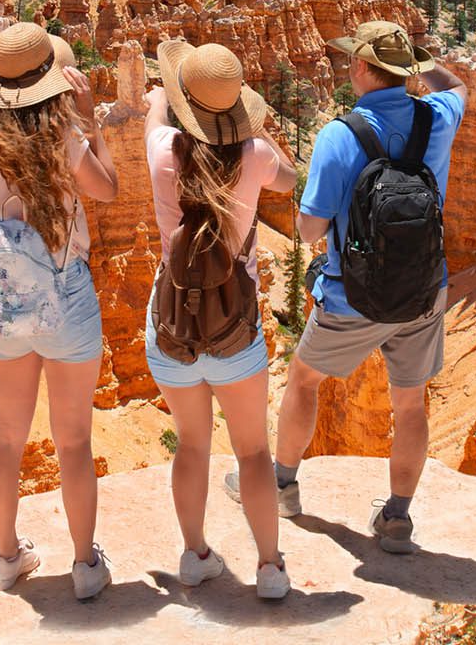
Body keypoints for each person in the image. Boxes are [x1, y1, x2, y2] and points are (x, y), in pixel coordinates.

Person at [226, 20, 466, 554]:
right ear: (405, 70)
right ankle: (398, 520)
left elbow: (309, 228)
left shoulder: (342, 133)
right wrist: (421, 61)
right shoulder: (439, 117)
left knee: (305, 379)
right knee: (410, 406)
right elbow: (456, 87)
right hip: (424, 289)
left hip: (352, 296)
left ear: (359, 67)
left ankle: (282, 486)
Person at [0, 21, 119, 599]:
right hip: (67, 294)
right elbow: (106, 190)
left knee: (7, 439)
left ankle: (6, 558)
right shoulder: (64, 141)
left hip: (6, 301)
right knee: (73, 440)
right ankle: (84, 567)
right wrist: (89, 119)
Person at [143, 41, 299, 600]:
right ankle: (270, 569)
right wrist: (255, 126)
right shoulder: (254, 155)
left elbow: (155, 113)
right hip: (236, 328)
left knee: (191, 445)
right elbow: (286, 176)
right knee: (254, 451)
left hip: (173, 326)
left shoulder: (161, 149)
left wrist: (163, 95)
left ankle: (195, 556)